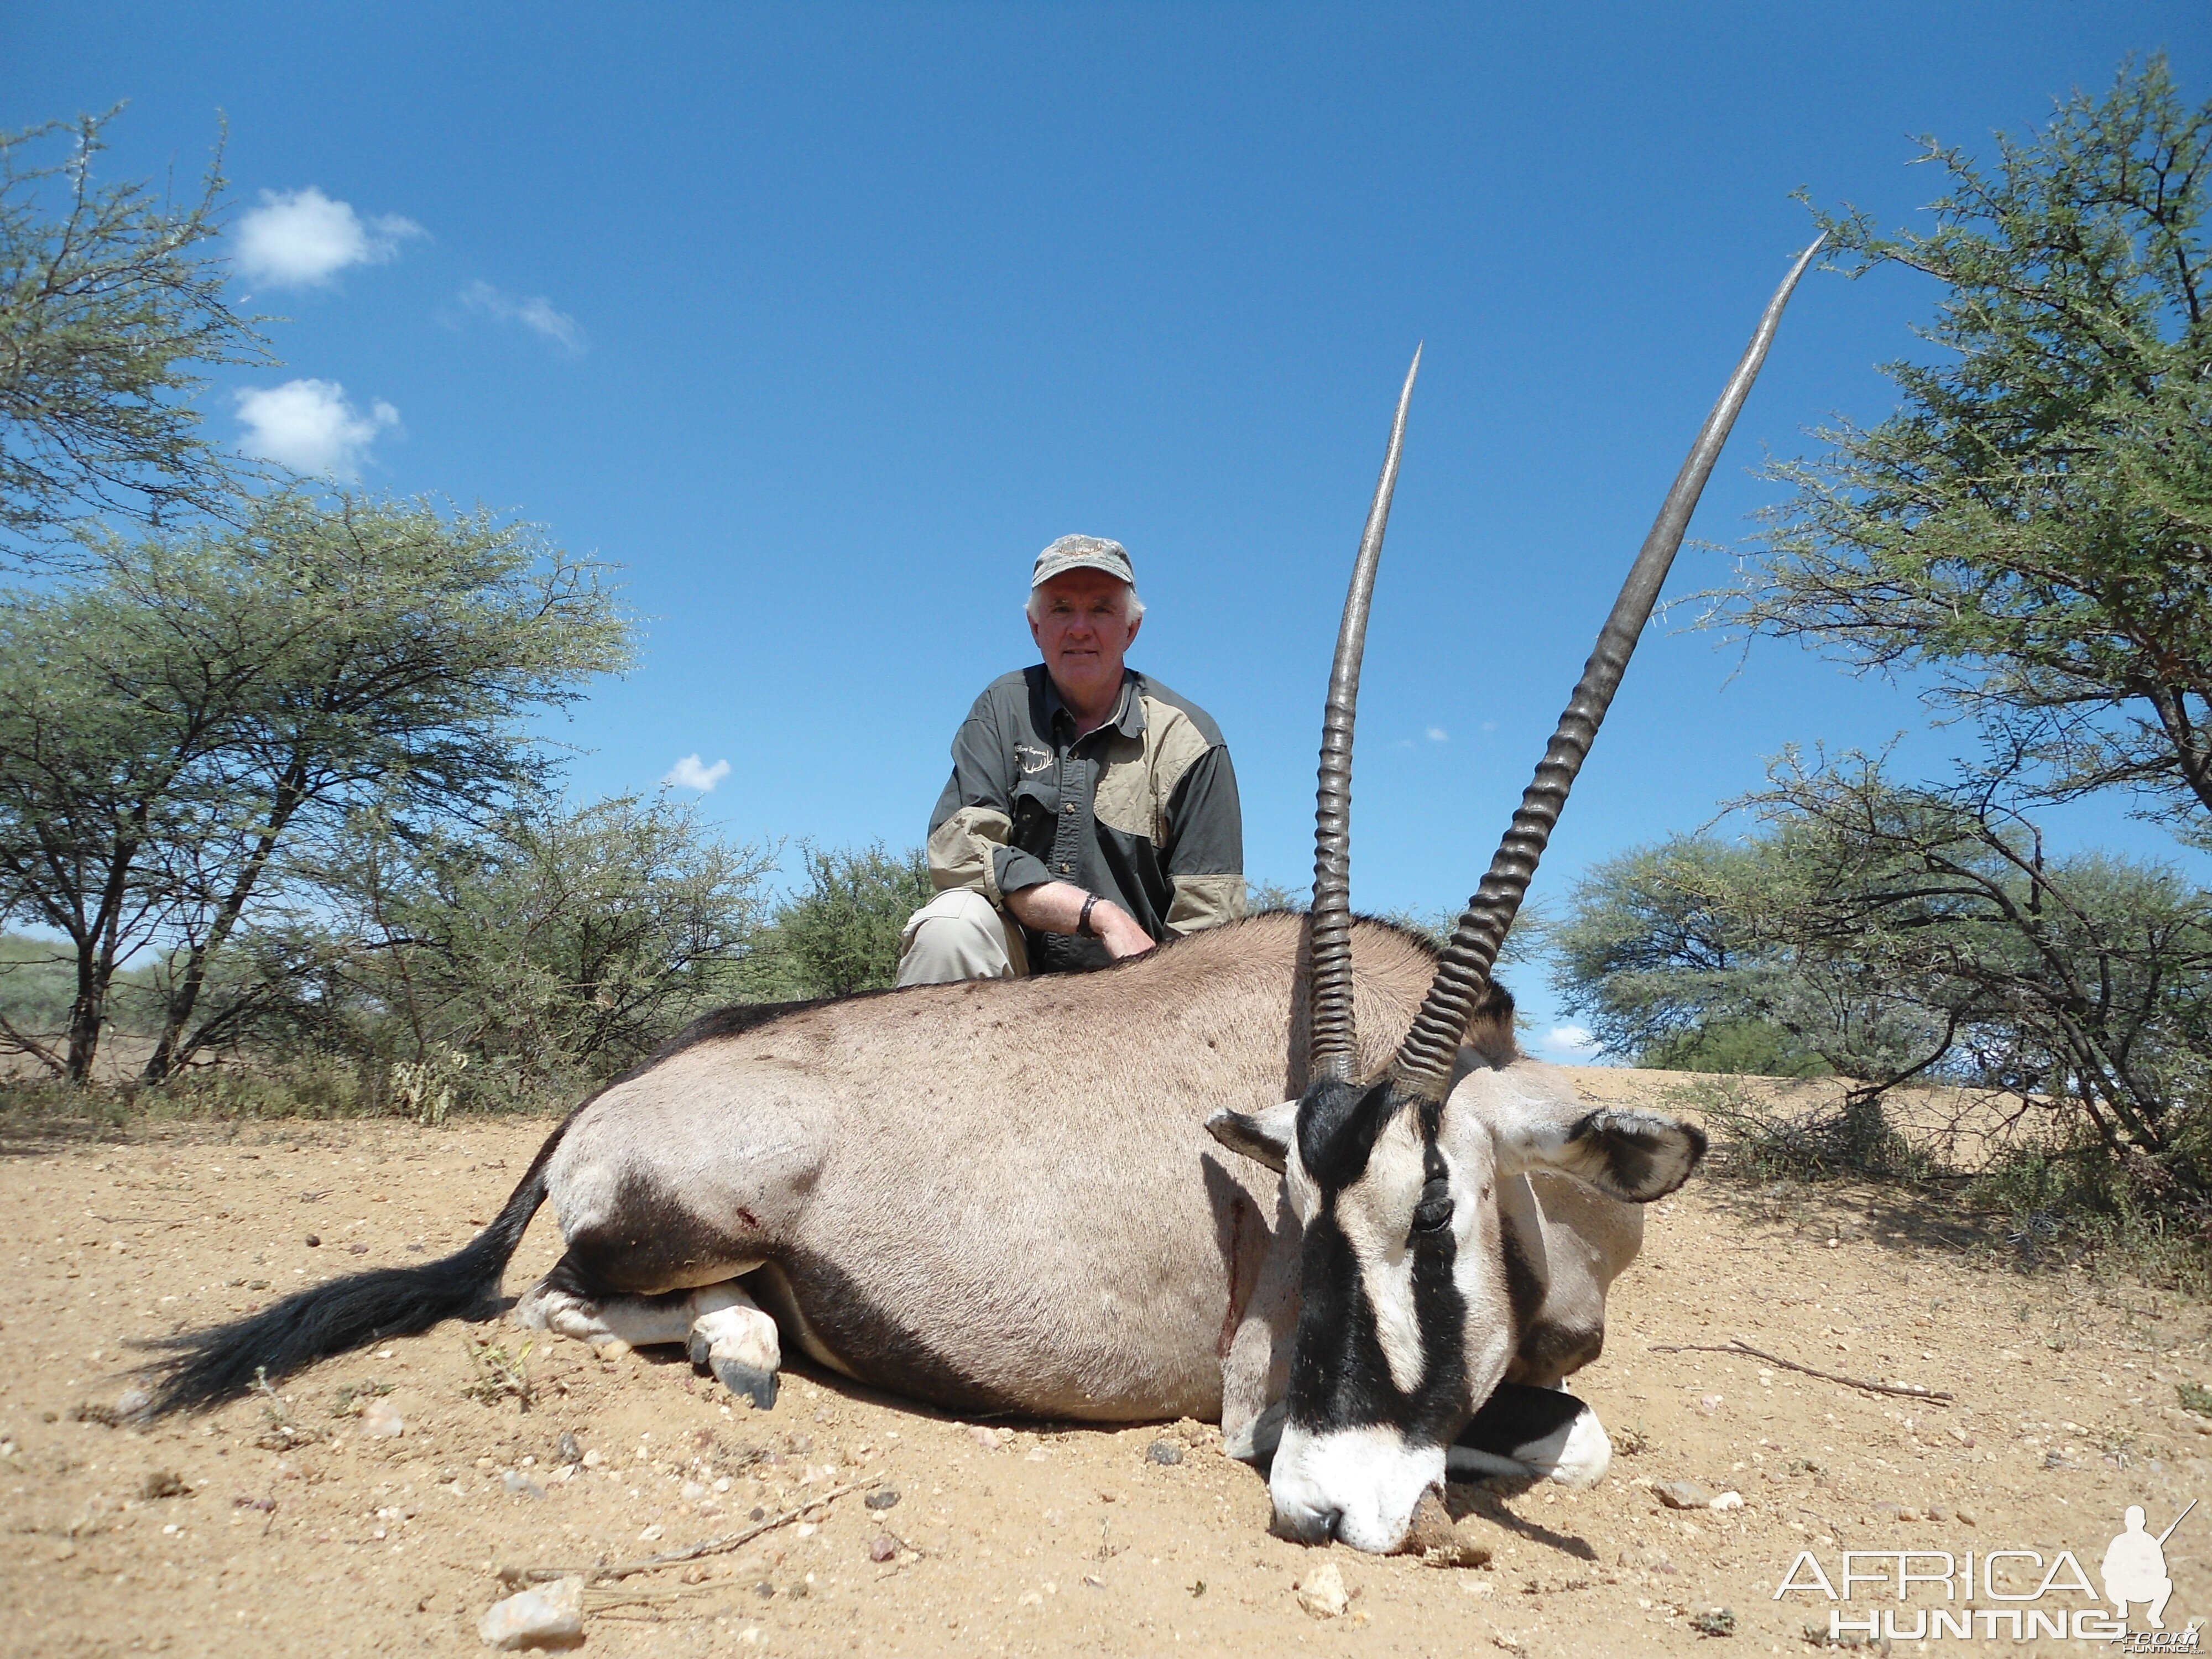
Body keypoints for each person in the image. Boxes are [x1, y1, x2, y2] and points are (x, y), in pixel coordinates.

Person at [896, 534, 1245, 985]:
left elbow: (1209, 924)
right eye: (1061, 608)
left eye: (1101, 609)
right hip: (1010, 990)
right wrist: (1098, 915)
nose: (1080, 628)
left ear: (1131, 629)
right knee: (950, 928)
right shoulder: (1001, 710)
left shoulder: (1191, 741)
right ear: (1036, 627)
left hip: (1138, 996)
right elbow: (960, 853)